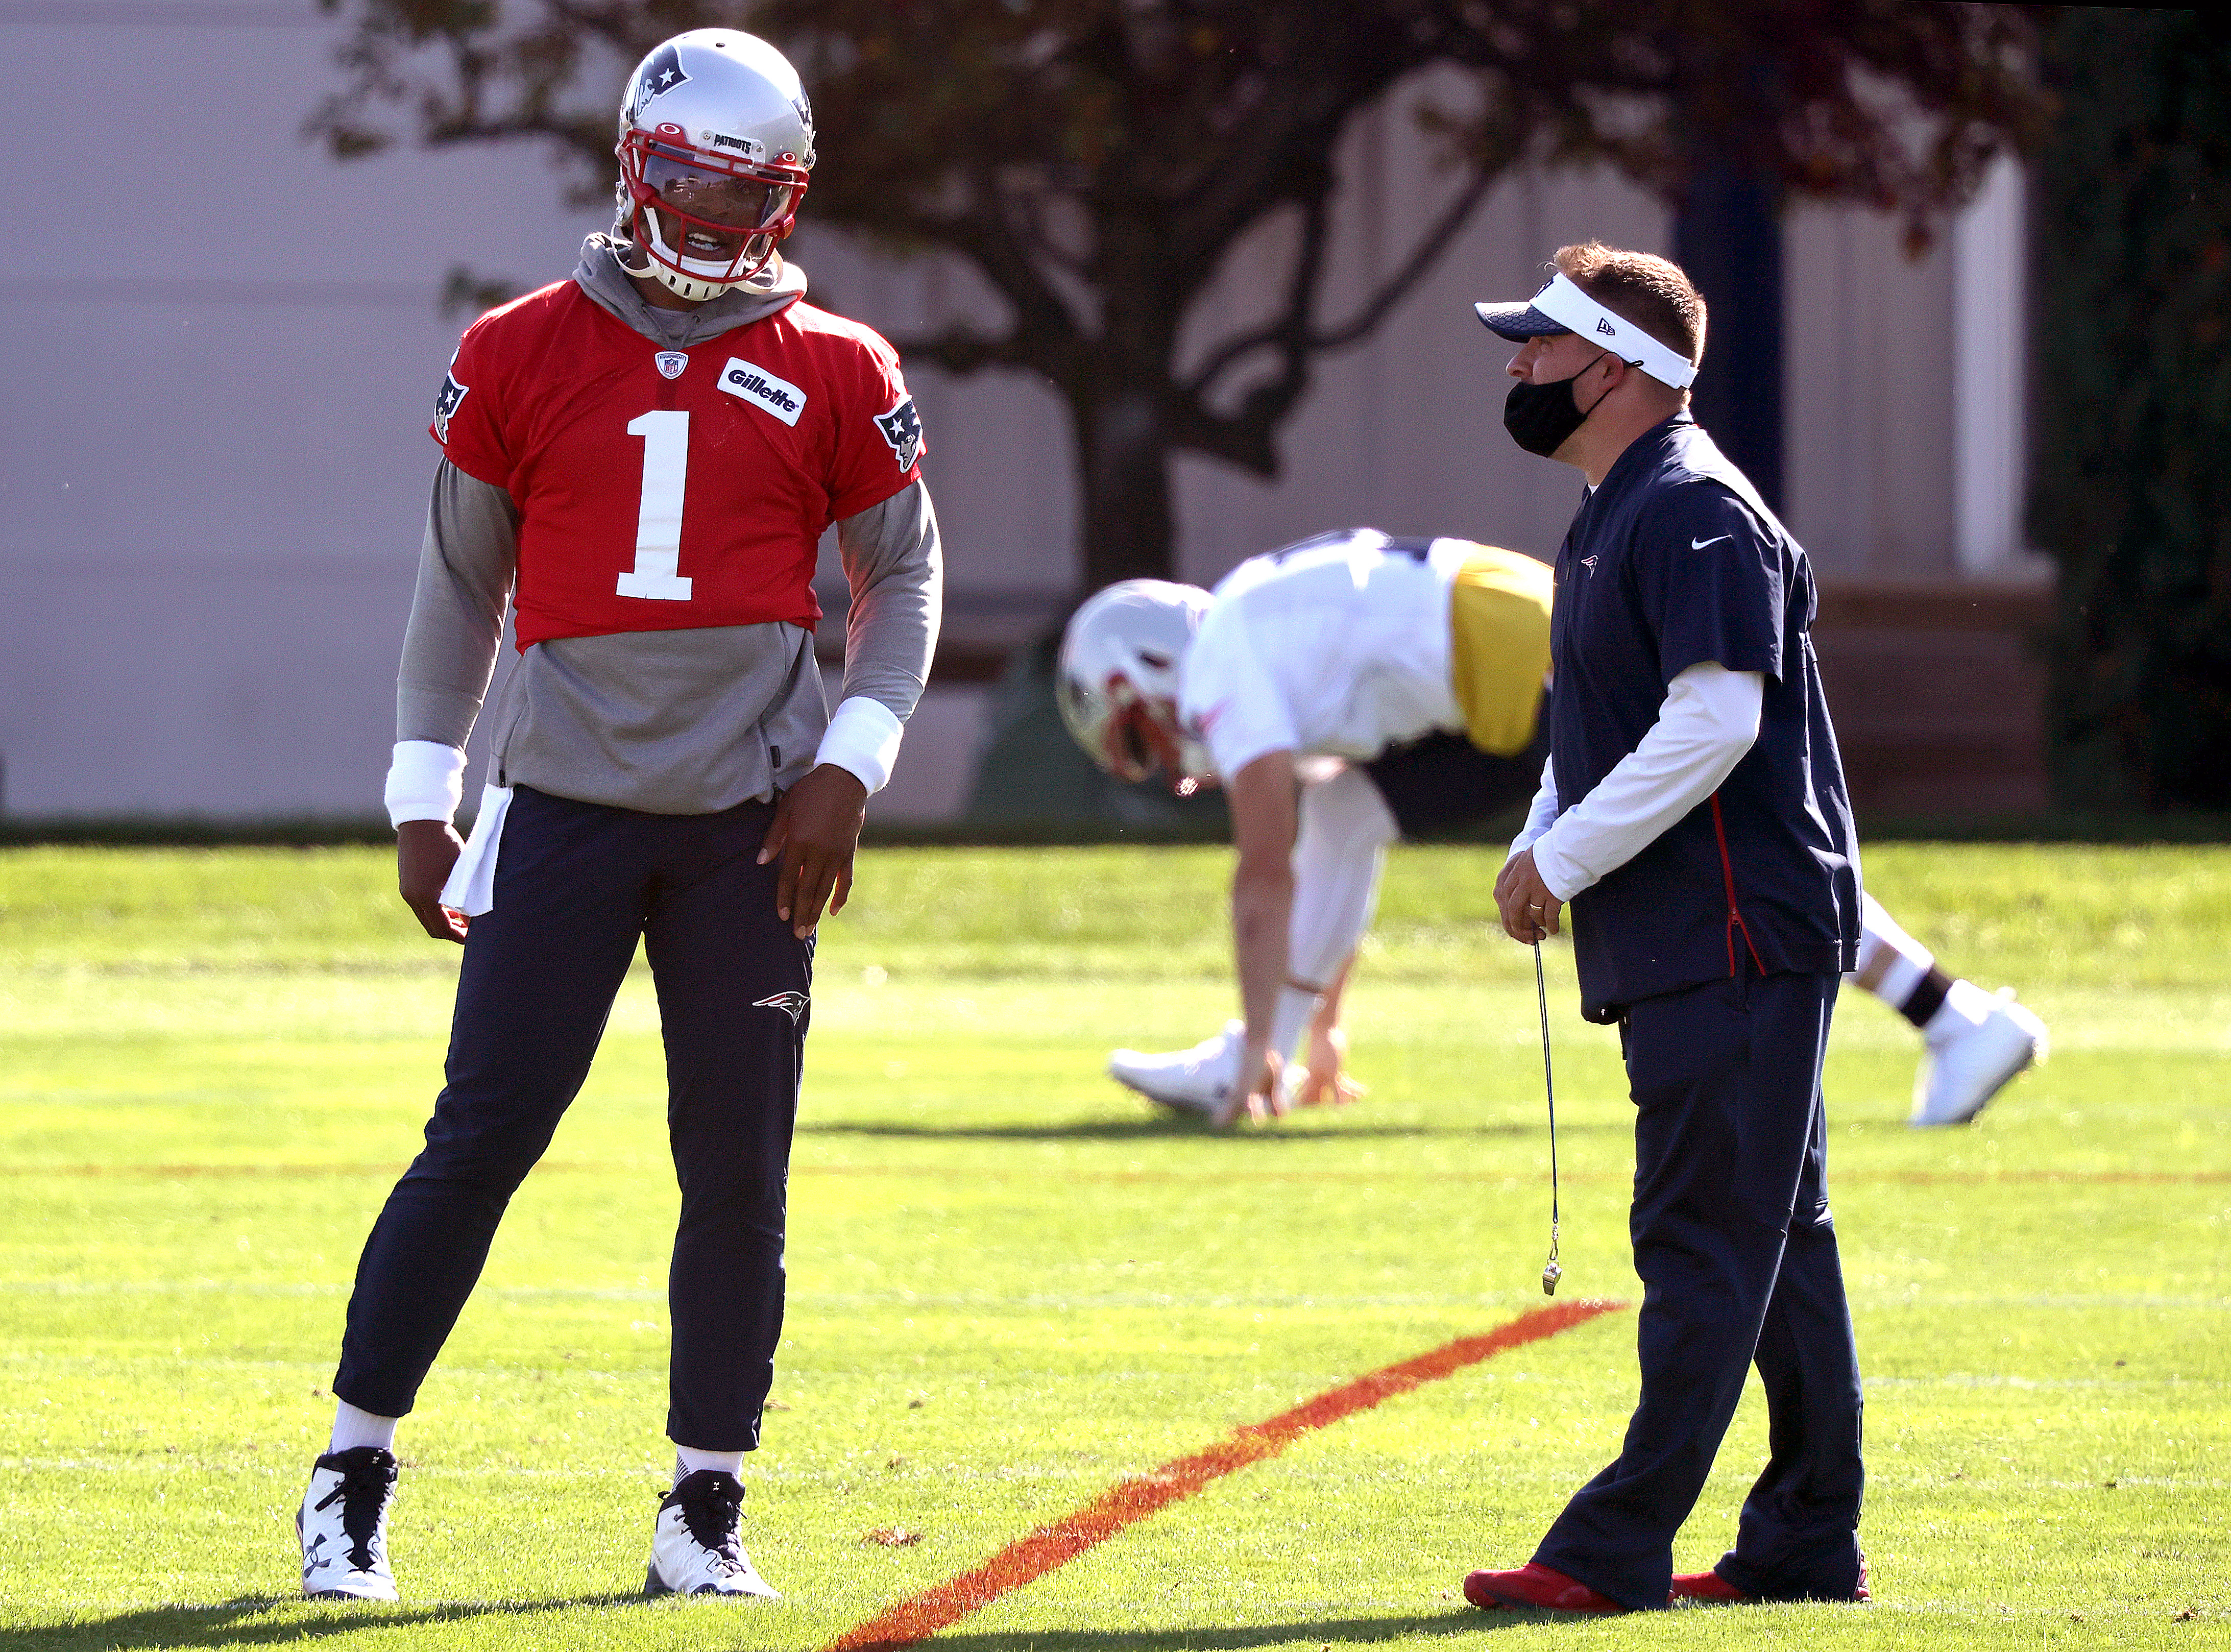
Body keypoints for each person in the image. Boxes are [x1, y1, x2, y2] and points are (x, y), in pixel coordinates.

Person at [294, 30, 941, 1605]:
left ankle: (704, 1502)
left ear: (784, 198)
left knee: (737, 1164)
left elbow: (902, 577)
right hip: (563, 810)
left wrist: (846, 767)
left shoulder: (843, 363)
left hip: (748, 824)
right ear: (629, 163)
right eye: (685, 179)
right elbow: (460, 590)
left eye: (745, 191)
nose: (710, 217)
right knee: (480, 1138)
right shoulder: (521, 346)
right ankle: (350, 1470)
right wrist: (419, 791)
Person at [1460, 242, 1869, 1613]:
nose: (1515, 367)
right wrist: (1541, 833)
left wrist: (1561, 857)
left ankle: (1611, 1544)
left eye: (1537, 344)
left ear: (1621, 365)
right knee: (1778, 1234)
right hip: (1709, 936)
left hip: (1736, 937)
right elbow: (1611, 721)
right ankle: (1808, 1538)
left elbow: (1713, 718)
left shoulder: (1691, 506)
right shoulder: (1615, 505)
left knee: (1700, 1233)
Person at [1057, 529, 1557, 1128]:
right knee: (1344, 812)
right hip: (1509, 637)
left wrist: (1254, 1051)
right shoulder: (1257, 637)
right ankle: (1273, 1044)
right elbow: (1336, 847)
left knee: (1655, 850)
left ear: (1150, 667)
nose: (1162, 758)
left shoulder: (1225, 662)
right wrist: (1327, 1028)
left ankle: (1247, 1057)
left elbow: (1263, 880)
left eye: (1139, 738)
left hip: (1527, 645)